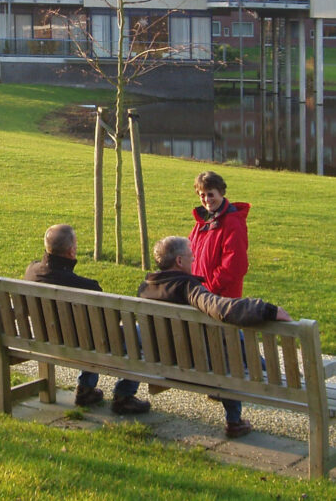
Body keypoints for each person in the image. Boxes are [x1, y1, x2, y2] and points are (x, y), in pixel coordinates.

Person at [138, 236, 292, 438]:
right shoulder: (187, 287)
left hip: (160, 360)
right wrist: (267, 310)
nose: (194, 260)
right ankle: (235, 420)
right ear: (179, 261)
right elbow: (219, 308)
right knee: (229, 344)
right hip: (199, 364)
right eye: (191, 256)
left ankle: (123, 396)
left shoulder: (145, 287)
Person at [25, 224, 151, 415]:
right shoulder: (86, 287)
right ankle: (124, 396)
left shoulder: (32, 271)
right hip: (84, 344)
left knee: (87, 334)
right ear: (72, 250)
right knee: (142, 336)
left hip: (46, 340)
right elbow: (111, 321)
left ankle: (86, 389)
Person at [189, 171, 250, 298]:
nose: (207, 199)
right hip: (201, 296)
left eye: (211, 194)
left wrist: (209, 289)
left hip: (221, 299)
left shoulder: (232, 222)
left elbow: (235, 266)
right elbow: (189, 253)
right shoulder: (201, 222)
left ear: (221, 193)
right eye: (202, 195)